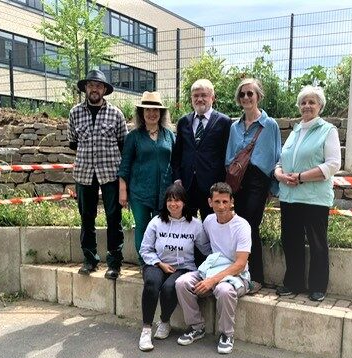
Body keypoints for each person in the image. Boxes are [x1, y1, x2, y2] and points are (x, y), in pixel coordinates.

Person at [274, 85, 341, 302]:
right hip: (289, 196)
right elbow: (281, 160)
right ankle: (293, 282)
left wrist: (301, 176)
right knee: (290, 240)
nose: (307, 106)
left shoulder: (328, 130)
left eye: (312, 102)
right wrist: (279, 174)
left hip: (314, 198)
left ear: (320, 106)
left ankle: (318, 286)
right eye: (303, 102)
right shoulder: (294, 131)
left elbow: (333, 165)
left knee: (317, 242)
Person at [175, 182, 252, 354]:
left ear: (232, 201)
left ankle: (226, 334)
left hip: (237, 275)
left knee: (224, 291)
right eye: (217, 202)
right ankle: (196, 327)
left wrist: (212, 280)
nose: (221, 206)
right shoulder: (209, 221)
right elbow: (205, 246)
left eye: (225, 201)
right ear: (210, 202)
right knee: (182, 283)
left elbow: (240, 264)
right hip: (212, 269)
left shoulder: (242, 226)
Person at [68, 69, 128, 279]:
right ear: (85, 88)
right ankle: (90, 259)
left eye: (99, 85)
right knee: (86, 218)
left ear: (104, 90)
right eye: (91, 85)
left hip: (110, 173)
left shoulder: (116, 114)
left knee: (113, 219)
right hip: (84, 173)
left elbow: (123, 144)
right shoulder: (75, 113)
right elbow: (73, 142)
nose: (94, 88)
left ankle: (114, 263)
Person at [137, 183, 209, 352]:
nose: (173, 204)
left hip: (184, 267)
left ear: (184, 202)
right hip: (157, 263)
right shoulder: (156, 222)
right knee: (151, 284)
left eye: (177, 200)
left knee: (170, 287)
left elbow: (206, 249)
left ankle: (164, 321)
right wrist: (159, 264)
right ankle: (146, 329)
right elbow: (145, 249)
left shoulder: (196, 225)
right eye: (169, 200)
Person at [225, 78, 281, 290]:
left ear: (258, 96)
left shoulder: (270, 125)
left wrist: (272, 187)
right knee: (238, 225)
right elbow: (229, 157)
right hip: (237, 180)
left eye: (250, 93)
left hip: (258, 180)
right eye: (243, 94)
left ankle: (257, 276)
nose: (246, 97)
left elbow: (276, 155)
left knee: (250, 226)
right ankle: (239, 270)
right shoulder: (234, 127)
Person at [171, 79, 232, 264]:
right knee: (188, 227)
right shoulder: (183, 122)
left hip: (211, 187)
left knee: (211, 227)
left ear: (212, 97)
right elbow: (177, 154)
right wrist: (177, 179)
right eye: (196, 96)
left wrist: (222, 186)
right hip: (187, 185)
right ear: (191, 98)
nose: (200, 99)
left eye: (204, 95)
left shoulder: (224, 122)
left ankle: (212, 264)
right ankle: (191, 263)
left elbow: (226, 155)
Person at [118, 91, 175, 266]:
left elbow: (176, 162)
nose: (152, 113)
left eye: (155, 110)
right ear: (141, 113)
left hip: (164, 192)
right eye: (147, 110)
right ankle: (144, 263)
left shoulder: (169, 135)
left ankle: (158, 263)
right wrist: (123, 191)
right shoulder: (133, 137)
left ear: (161, 113)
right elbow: (125, 165)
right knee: (142, 228)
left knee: (161, 229)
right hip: (139, 192)